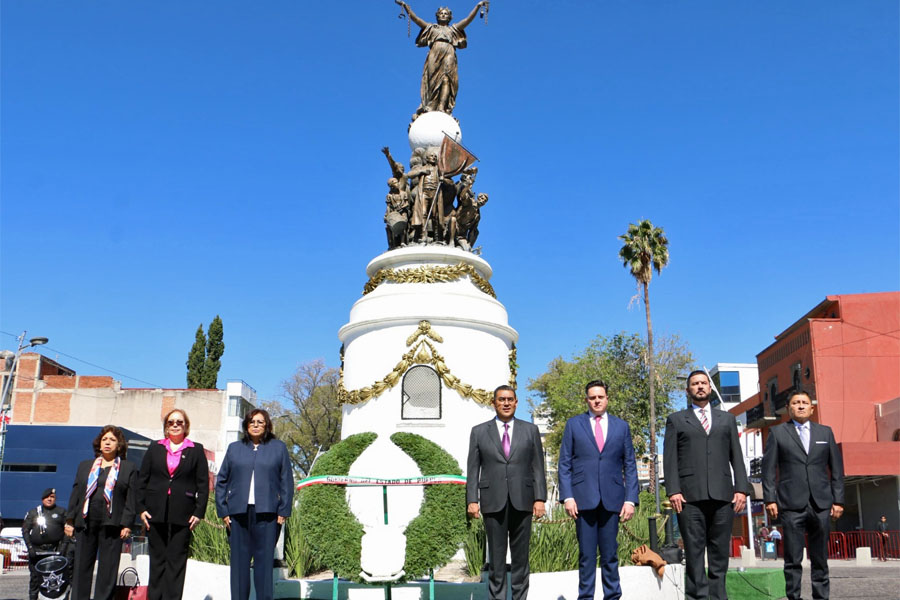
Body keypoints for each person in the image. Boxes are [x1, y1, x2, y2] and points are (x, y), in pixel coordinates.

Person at [663, 370, 750, 600]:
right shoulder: (676, 420)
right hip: (689, 499)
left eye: (703, 383)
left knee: (719, 556)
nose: (700, 386)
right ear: (688, 390)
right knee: (694, 555)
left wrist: (741, 489)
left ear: (710, 388)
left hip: (723, 498)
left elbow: (737, 458)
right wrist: (673, 490)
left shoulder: (727, 419)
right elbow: (669, 459)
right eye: (695, 384)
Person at [558, 380, 639, 600]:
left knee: (610, 555)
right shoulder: (574, 425)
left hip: (613, 500)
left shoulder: (621, 427)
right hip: (582, 500)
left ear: (607, 399)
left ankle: (612, 596)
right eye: (592, 397)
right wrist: (567, 497)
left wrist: (630, 500)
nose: (596, 400)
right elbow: (564, 463)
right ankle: (586, 597)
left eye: (600, 397)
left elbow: (630, 465)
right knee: (586, 556)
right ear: (587, 400)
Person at [466, 385, 547, 600]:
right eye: (501, 399)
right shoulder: (479, 431)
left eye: (510, 399)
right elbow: (473, 468)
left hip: (524, 501)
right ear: (494, 403)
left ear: (516, 402)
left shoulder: (530, 430)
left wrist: (540, 498)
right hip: (493, 502)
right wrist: (472, 499)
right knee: (497, 561)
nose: (506, 403)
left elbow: (538, 466)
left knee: (521, 560)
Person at [762, 390, 844, 600]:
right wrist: (770, 498)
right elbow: (769, 470)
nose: (800, 406)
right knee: (792, 559)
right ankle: (794, 596)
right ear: (789, 408)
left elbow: (836, 469)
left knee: (820, 558)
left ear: (811, 408)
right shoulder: (778, 433)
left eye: (804, 403)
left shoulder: (825, 433)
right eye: (796, 403)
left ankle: (821, 597)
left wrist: (838, 500)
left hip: (821, 503)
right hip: (790, 504)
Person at [216, 409, 294, 600]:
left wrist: (283, 510)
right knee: (239, 567)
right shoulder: (235, 448)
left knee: (264, 565)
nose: (256, 425)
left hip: (267, 514)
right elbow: (221, 480)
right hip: (238, 515)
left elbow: (286, 481)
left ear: (267, 425)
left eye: (260, 422)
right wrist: (224, 510)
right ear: (246, 425)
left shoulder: (278, 448)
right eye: (252, 422)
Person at [138, 409, 210, 600]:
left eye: (179, 422)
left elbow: (203, 484)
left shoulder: (195, 449)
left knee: (176, 563)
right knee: (157, 561)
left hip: (183, 513)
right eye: (171, 422)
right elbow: (142, 480)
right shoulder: (155, 448)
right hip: (155, 512)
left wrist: (199, 512)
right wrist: (141, 509)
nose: (175, 425)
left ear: (186, 426)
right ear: (166, 426)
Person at [65, 425, 138, 600]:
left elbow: (132, 497)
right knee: (82, 567)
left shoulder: (128, 468)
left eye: (112, 440)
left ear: (119, 445)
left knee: (108, 570)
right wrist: (69, 520)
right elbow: (76, 493)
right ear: (99, 443)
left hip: (112, 524)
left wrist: (127, 523)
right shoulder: (85, 466)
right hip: (85, 523)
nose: (108, 442)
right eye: (105, 439)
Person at [394, 1, 490, 115]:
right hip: (434, 53)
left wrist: (478, 6)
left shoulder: (453, 29)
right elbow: (417, 20)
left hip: (449, 52)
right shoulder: (431, 28)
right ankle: (431, 105)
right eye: (441, 13)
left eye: (446, 14)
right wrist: (405, 6)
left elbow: (467, 20)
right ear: (437, 16)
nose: (443, 15)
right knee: (432, 80)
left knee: (447, 79)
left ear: (449, 17)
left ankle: (441, 107)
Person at [22, 488, 68, 600]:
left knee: (55, 580)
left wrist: (63, 548)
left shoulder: (61, 512)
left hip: (55, 552)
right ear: (42, 499)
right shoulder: (33, 512)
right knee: (35, 579)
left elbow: (68, 531)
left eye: (52, 497)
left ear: (55, 499)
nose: (49, 499)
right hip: (37, 552)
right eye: (47, 497)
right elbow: (25, 530)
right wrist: (30, 548)